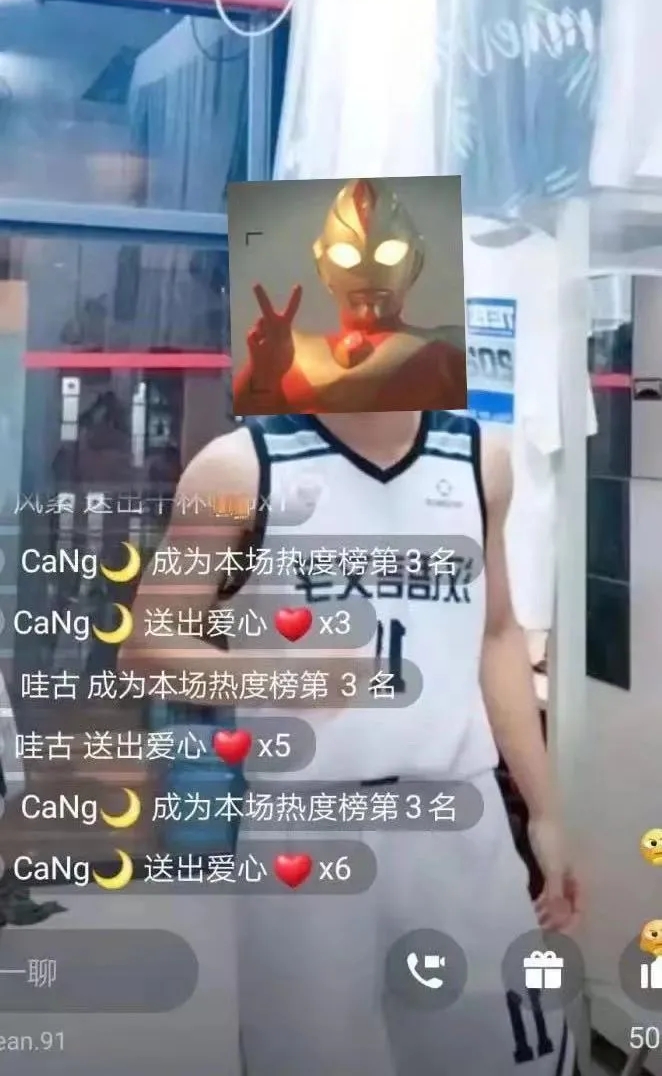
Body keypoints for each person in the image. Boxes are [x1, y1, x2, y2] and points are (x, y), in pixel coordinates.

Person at [124, 407, 580, 1076]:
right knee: (311, 1053)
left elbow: (497, 632)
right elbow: (147, 647)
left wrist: (545, 812)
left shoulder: (481, 459)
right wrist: (285, 678)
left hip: (457, 811)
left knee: (505, 1048)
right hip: (305, 824)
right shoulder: (239, 467)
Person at [232, 178, 467, 416]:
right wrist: (263, 370)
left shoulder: (445, 350)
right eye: (346, 255)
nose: (369, 272)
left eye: (390, 253)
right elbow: (251, 415)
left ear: (415, 262)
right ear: (323, 266)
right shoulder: (292, 351)